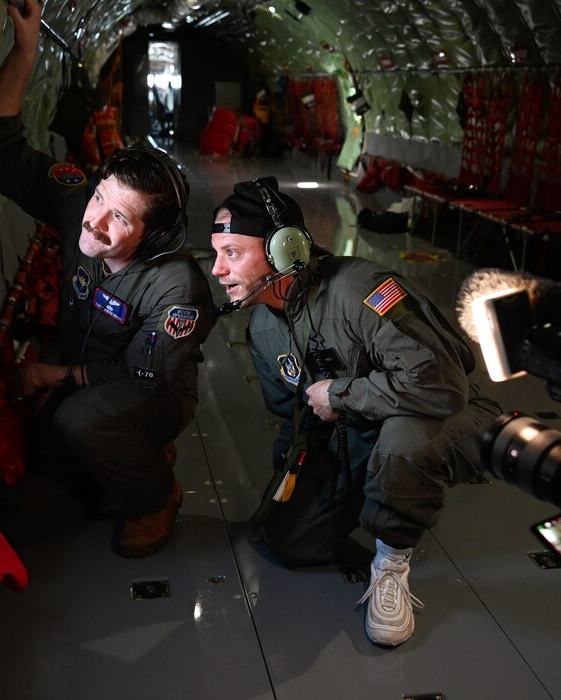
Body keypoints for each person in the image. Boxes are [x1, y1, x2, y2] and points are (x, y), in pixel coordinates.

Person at [209, 176, 501, 646]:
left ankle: (391, 562)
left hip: (446, 412)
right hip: (358, 431)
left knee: (404, 442)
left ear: (286, 251)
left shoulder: (360, 290)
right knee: (287, 542)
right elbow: (296, 418)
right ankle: (377, 489)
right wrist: (295, 480)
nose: (218, 270)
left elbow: (442, 385)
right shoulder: (263, 327)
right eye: (216, 254)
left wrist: (340, 396)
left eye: (232, 254)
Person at [0, 0, 215, 558]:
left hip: (149, 391)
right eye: (100, 198)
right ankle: (127, 454)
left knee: (82, 421)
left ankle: (155, 496)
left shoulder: (176, 288)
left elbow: (141, 370)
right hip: (84, 382)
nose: (94, 222)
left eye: (120, 218)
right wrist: (27, 49)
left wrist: (49, 374)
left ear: (150, 237)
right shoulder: (80, 200)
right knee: (25, 519)